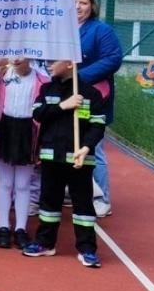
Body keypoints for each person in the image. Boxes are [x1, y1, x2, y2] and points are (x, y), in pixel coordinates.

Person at [25, 62, 107, 267]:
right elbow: (38, 114)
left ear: (70, 63)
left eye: (54, 61)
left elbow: (97, 126)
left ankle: (87, 249)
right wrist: (64, 105)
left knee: (83, 204)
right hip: (52, 157)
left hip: (80, 159)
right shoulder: (47, 89)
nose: (49, 65)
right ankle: (45, 243)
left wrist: (86, 147)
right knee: (49, 202)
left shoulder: (90, 93)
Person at [58, 0, 124, 216]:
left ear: (92, 6)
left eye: (83, 3)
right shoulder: (64, 30)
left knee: (92, 144)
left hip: (92, 96)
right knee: (70, 140)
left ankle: (102, 197)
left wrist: (81, 76)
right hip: (68, 95)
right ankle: (75, 189)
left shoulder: (101, 30)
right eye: (74, 2)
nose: (78, 6)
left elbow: (113, 58)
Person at [0, 58, 42, 249]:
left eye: (22, 52)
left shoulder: (40, 79)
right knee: (4, 182)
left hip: (27, 130)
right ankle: (3, 226)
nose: (17, 57)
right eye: (13, 52)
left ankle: (21, 228)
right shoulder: (1, 75)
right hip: (5, 128)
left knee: (23, 184)